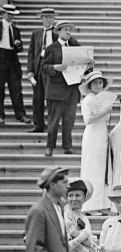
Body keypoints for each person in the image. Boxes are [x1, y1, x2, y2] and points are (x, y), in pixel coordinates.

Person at [41, 20, 87, 156]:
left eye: (69, 30)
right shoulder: (52, 48)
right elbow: (43, 67)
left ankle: (67, 146)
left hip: (72, 89)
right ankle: (50, 146)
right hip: (56, 90)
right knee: (53, 121)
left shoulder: (75, 47)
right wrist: (54, 67)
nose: (68, 32)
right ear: (58, 32)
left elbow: (81, 67)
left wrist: (88, 64)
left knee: (69, 121)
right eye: (65, 30)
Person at [79, 71, 113, 214]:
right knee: (92, 170)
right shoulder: (88, 99)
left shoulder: (101, 98)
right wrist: (105, 112)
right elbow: (88, 120)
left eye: (100, 82)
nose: (98, 85)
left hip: (101, 135)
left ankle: (101, 203)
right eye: (95, 83)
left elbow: (104, 120)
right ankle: (90, 205)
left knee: (101, 169)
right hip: (92, 136)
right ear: (90, 85)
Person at [28, 8, 57, 133]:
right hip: (38, 66)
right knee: (37, 98)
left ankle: (52, 125)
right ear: (41, 19)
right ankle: (38, 125)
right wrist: (30, 71)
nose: (48, 19)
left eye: (51, 17)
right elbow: (31, 53)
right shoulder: (36, 34)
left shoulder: (57, 33)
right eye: (46, 17)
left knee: (51, 97)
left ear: (54, 19)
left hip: (52, 66)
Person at [0, 3, 26, 126]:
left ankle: (20, 114)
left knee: (16, 89)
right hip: (0, 57)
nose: (11, 17)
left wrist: (18, 44)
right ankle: (0, 115)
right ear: (3, 14)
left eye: (12, 15)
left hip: (12, 60)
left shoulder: (15, 30)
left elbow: (20, 49)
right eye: (9, 14)